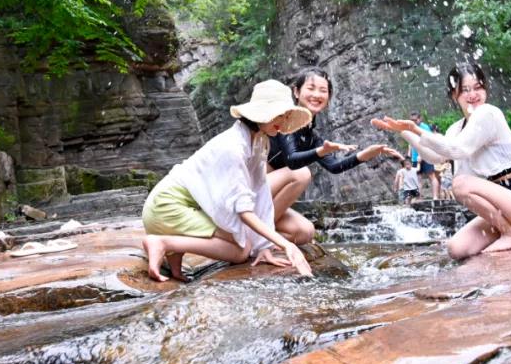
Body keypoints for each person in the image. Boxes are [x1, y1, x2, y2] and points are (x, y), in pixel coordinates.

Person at [141, 79, 314, 282]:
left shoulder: (259, 141)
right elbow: (244, 211)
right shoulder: (234, 147)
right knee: (241, 250)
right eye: (278, 114)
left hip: (187, 205)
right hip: (167, 206)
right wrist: (286, 245)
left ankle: (172, 254)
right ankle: (163, 243)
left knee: (245, 244)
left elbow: (260, 194)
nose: (283, 121)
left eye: (286, 115)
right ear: (261, 113)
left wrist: (264, 247)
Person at [372, 62, 511, 260]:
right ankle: (509, 231)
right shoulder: (456, 128)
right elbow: (436, 156)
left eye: (478, 87)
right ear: (454, 95)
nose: (473, 94)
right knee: (456, 249)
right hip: (503, 205)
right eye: (465, 90)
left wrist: (416, 129)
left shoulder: (488, 113)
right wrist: (404, 132)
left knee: (460, 184)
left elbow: (457, 149)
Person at [267, 67, 402, 243]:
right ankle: (260, 233)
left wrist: (366, 154)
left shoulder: (311, 135)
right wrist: (321, 151)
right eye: (311, 88)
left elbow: (335, 166)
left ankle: (259, 237)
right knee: (302, 173)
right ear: (296, 92)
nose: (317, 94)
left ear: (329, 98)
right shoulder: (285, 119)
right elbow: (292, 161)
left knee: (305, 232)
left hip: (270, 194)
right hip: (256, 187)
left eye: (323, 90)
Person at [409, 111, 441, 199]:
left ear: (420, 119)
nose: (413, 122)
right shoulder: (411, 128)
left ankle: (435, 197)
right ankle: (419, 198)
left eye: (415, 120)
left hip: (426, 156)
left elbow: (428, 142)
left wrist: (422, 155)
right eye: (411, 120)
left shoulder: (425, 128)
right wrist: (410, 156)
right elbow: (411, 143)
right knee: (417, 178)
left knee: (431, 176)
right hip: (415, 157)